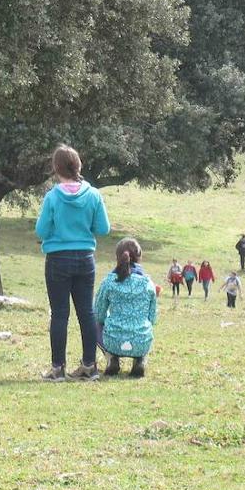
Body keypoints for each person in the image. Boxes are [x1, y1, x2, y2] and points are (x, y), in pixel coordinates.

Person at [35, 145, 111, 381]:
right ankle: (89, 366)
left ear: (56, 168)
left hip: (58, 258)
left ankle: (58, 368)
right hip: (85, 258)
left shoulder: (53, 197)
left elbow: (41, 230)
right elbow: (103, 229)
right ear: (78, 166)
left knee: (59, 314)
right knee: (86, 313)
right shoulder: (93, 195)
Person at [93, 238, 157, 378]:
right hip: (141, 341)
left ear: (117, 257)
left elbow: (99, 314)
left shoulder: (109, 282)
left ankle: (111, 358)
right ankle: (140, 360)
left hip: (113, 340)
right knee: (147, 326)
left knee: (93, 322)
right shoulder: (148, 283)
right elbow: (152, 317)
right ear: (140, 257)